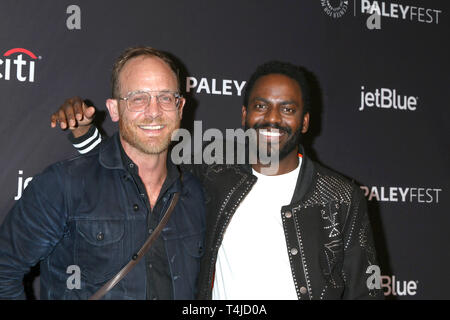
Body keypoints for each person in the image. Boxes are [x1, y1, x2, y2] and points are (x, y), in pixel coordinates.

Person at [50, 61, 383, 299]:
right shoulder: (212, 172)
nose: (272, 118)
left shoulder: (340, 196)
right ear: (244, 114)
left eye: (288, 109)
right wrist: (85, 134)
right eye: (261, 105)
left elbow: (364, 291)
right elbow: (139, 163)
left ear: (305, 121)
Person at [0, 46, 206, 300]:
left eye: (165, 97)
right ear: (115, 109)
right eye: (138, 98)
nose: (154, 111)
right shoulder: (65, 184)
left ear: (180, 107)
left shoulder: (195, 194)